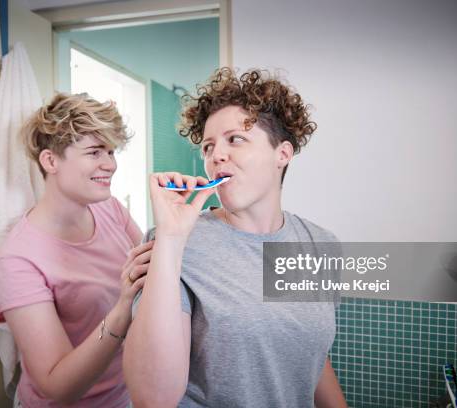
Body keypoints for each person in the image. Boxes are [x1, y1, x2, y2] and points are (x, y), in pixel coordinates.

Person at [123, 68, 348, 407]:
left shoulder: (320, 244)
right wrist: (171, 239)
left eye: (235, 139)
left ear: (282, 154)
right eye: (208, 146)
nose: (216, 156)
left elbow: (311, 355)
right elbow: (151, 398)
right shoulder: (172, 243)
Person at [0, 93, 152, 407]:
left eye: (110, 151)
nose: (110, 164)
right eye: (95, 152)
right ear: (50, 161)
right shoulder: (19, 259)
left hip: (125, 395)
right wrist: (122, 310)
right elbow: (57, 386)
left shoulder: (110, 208)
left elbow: (153, 268)